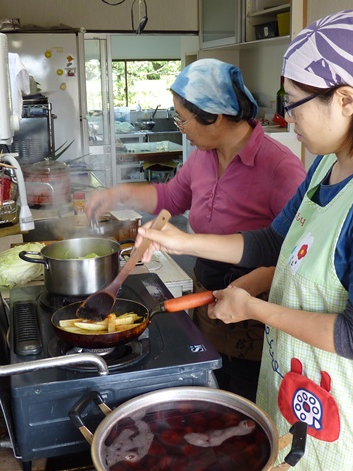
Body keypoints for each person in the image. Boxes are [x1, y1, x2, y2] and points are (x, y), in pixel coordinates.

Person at [134, 10, 353, 471]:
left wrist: (254, 308)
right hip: (300, 405)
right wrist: (183, 240)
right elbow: (275, 242)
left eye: (293, 103)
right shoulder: (327, 166)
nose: (287, 118)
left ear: (347, 99)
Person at [85, 58, 306, 402]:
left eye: (183, 118)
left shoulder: (279, 166)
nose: (181, 127)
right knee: (212, 381)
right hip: (205, 291)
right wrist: (117, 193)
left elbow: (294, 251)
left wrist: (243, 291)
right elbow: (170, 197)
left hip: (255, 300)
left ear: (214, 116)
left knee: (247, 395)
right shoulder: (204, 155)